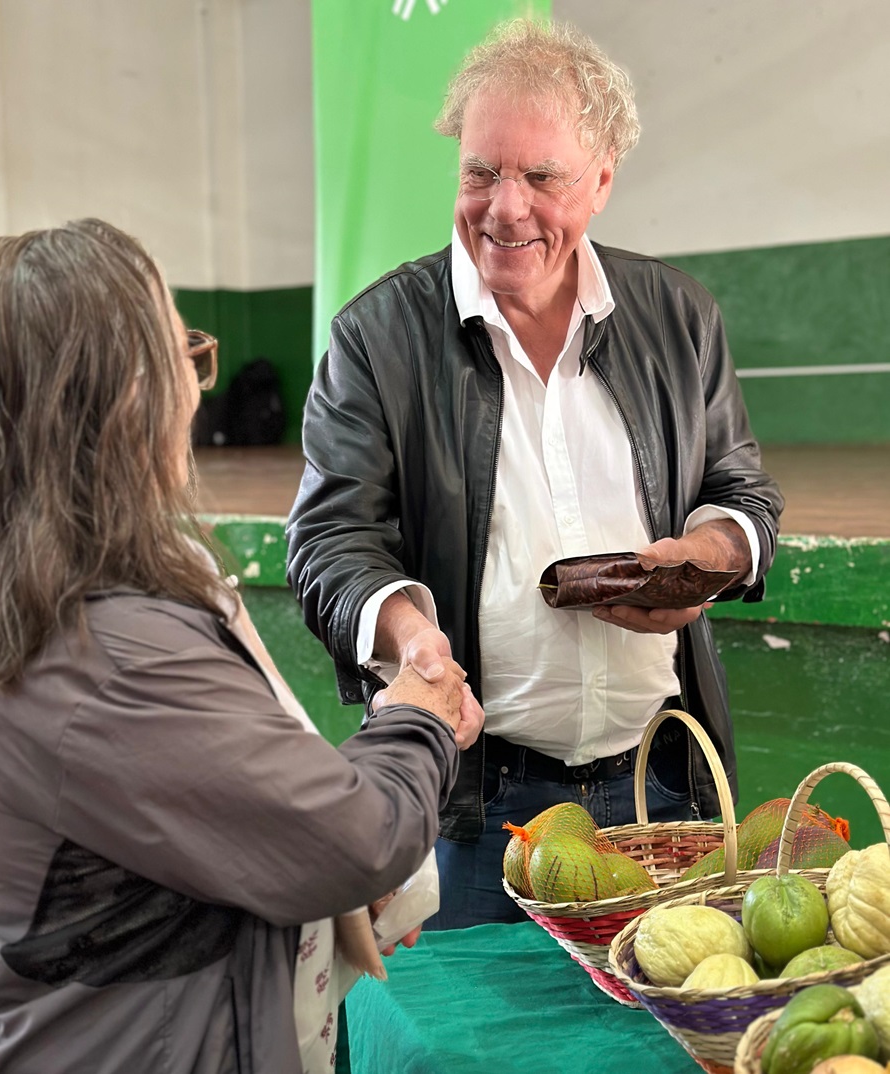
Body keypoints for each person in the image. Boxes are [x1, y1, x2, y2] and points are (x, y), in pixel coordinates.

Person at [287, 19, 783, 930]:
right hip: (477, 815)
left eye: (540, 176)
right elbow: (328, 537)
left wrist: (708, 556)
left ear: (601, 180)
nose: (503, 207)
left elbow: (742, 492)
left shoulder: (679, 316)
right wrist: (413, 642)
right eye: (481, 171)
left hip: (662, 791)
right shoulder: (378, 337)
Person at [0, 219, 483, 1074]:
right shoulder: (109, 653)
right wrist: (417, 717)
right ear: (126, 399)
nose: (194, 386)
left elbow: (191, 822)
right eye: (179, 353)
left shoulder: (49, 596)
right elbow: (352, 836)